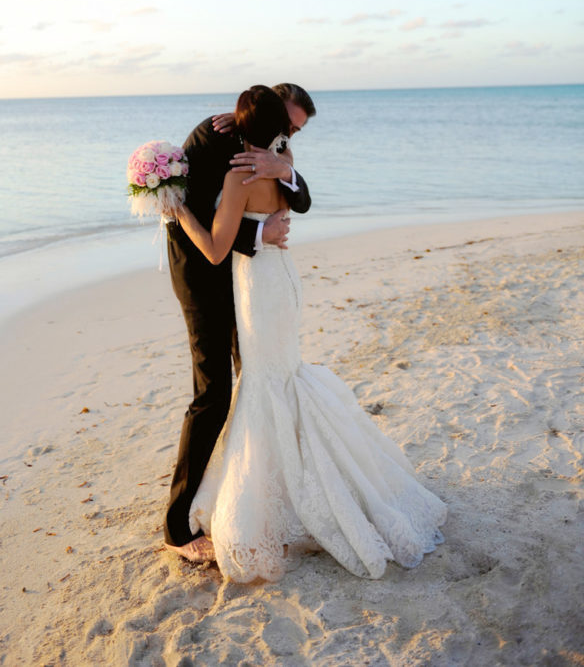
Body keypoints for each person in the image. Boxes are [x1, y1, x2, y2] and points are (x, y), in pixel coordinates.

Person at [177, 85, 447, 582]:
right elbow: (286, 200)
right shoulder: (283, 158)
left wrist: (178, 211)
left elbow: (215, 250)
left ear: (239, 122)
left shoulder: (241, 173)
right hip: (282, 278)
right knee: (282, 375)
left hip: (256, 289)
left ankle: (276, 493)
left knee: (263, 382)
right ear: (278, 127)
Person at [164, 82, 316, 562]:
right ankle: (177, 526)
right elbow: (201, 216)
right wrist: (260, 230)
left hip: (252, 282)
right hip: (203, 276)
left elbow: (303, 197)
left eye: (293, 133)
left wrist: (283, 167)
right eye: (288, 128)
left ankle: (255, 492)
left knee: (256, 382)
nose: (288, 138)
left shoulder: (277, 150)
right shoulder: (210, 137)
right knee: (214, 394)